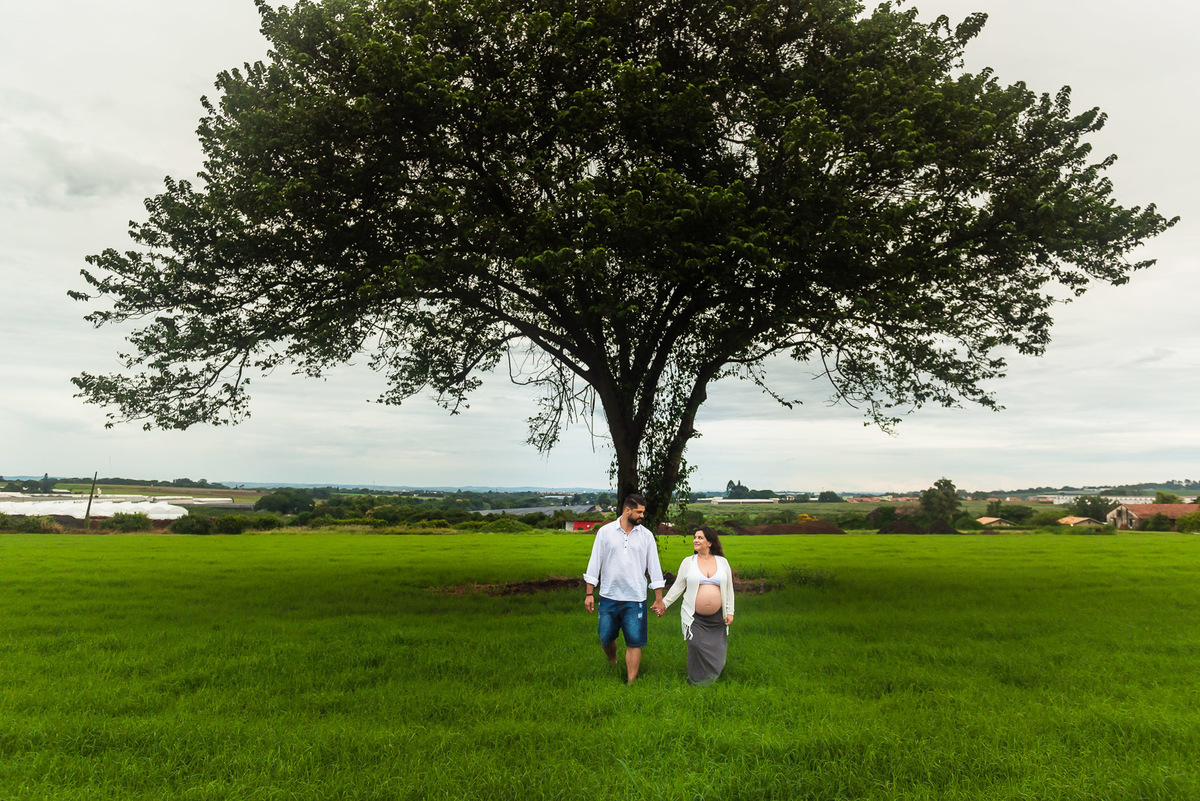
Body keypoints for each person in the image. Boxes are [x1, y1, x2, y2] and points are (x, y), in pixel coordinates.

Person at [583, 492, 665, 683]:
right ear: (627, 510)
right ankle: (613, 660)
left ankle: (631, 682)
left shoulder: (646, 536)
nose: (642, 516)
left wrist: (659, 598)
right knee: (605, 637)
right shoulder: (605, 532)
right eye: (639, 512)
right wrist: (589, 593)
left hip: (635, 598)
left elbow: (654, 568)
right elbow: (594, 563)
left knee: (634, 641)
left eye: (643, 512)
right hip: (609, 596)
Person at [662, 527, 735, 685]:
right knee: (695, 645)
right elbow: (678, 586)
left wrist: (730, 611)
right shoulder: (688, 562)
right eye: (695, 537)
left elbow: (729, 589)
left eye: (700, 538)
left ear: (710, 542)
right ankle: (695, 681)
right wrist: (664, 604)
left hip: (718, 617)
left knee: (717, 649)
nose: (695, 540)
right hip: (693, 615)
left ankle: (711, 679)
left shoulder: (722, 562)